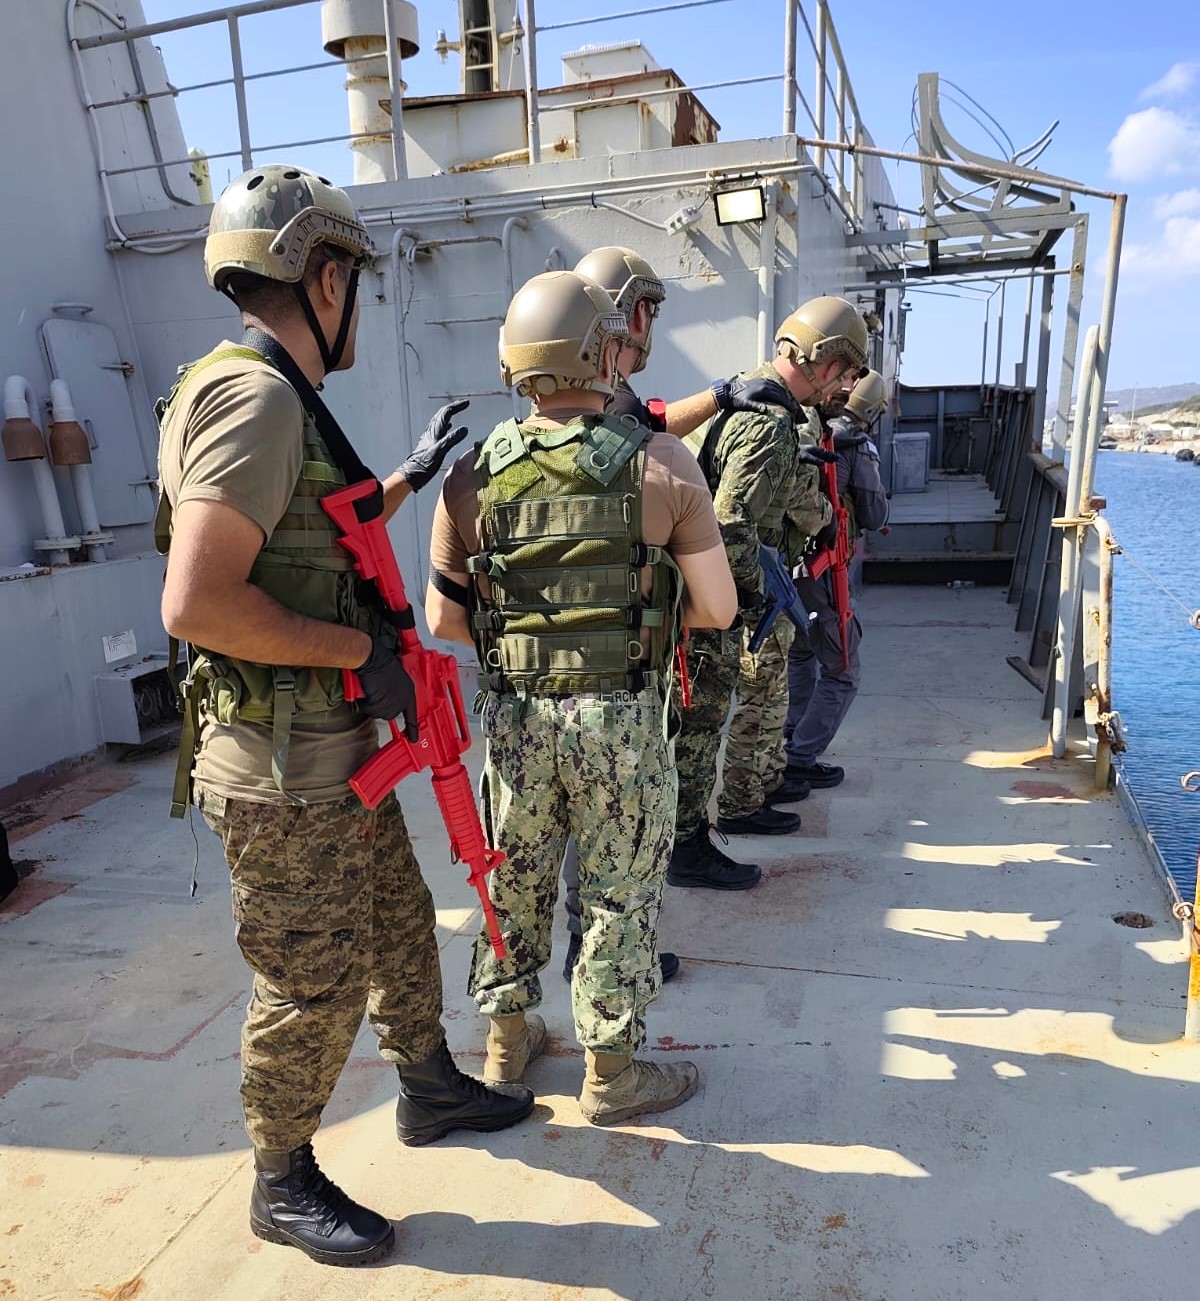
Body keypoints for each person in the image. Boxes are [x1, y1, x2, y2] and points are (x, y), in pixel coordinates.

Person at [157, 165, 533, 1268]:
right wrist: (361, 651)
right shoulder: (259, 399)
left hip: (329, 755)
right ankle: (280, 1179)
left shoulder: (261, 389)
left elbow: (318, 533)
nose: (357, 298)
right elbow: (198, 600)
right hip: (282, 770)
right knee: (310, 980)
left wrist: (407, 476)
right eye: (355, 278)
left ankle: (429, 1085)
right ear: (326, 278)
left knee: (400, 925)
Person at [425, 270, 736, 1126]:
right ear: (606, 353)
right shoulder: (663, 462)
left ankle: (505, 1046)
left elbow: (444, 619)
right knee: (616, 892)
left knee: (512, 879)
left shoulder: (470, 475)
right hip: (622, 721)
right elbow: (716, 608)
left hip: (517, 719)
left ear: (515, 363)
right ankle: (611, 1073)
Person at [550, 245, 781, 967]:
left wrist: (715, 398)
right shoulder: (608, 410)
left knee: (573, 808)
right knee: (615, 813)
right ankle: (600, 952)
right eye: (647, 310)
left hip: (554, 644)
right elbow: (635, 439)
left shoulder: (559, 407)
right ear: (630, 317)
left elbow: (646, 423)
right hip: (618, 649)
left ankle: (579, 944)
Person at [671, 296, 868, 868]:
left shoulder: (754, 399)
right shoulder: (770, 420)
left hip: (706, 591)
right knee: (700, 727)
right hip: (717, 599)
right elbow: (731, 524)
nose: (844, 387)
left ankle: (691, 837)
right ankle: (686, 847)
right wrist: (754, 594)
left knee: (703, 723)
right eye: (846, 373)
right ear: (826, 360)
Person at [784, 368, 890, 788]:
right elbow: (875, 514)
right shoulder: (857, 447)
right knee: (843, 669)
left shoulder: (803, 429)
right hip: (828, 570)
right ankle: (801, 757)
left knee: (801, 653)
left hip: (791, 567)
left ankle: (792, 736)